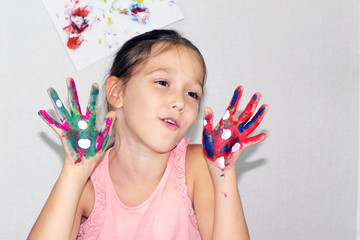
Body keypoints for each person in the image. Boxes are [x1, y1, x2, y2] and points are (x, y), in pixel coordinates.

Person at [28, 29, 268, 240]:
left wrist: (223, 174)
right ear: (117, 92)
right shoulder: (88, 182)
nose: (179, 102)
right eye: (163, 82)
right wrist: (75, 171)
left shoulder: (197, 166)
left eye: (192, 94)